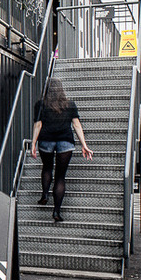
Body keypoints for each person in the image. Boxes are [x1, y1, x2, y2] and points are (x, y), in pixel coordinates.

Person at [30, 78, 93, 224]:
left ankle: (45, 194)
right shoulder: (69, 104)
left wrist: (33, 143)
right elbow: (76, 125)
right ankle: (56, 211)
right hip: (65, 141)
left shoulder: (40, 104)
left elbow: (38, 125)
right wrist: (84, 144)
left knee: (46, 167)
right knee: (60, 177)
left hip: (46, 140)